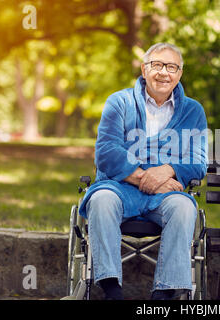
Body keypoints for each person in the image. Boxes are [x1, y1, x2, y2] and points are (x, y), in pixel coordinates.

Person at [78, 43, 208, 300]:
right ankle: (111, 290)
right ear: (144, 69)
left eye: (171, 67)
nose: (163, 73)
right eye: (157, 65)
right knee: (101, 200)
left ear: (180, 73)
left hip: (166, 195)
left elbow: (198, 163)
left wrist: (168, 170)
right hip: (120, 187)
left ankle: (164, 294)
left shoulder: (193, 111)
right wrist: (146, 179)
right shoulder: (120, 102)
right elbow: (106, 152)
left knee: (184, 208)